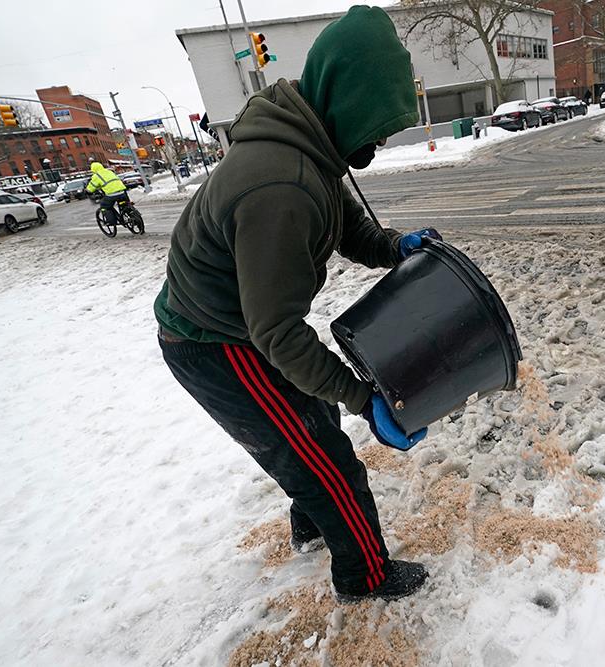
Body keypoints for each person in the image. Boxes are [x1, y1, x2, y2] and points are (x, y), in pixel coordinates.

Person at [154, 6, 437, 603]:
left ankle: (311, 520)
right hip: (212, 341)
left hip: (237, 326)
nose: (381, 142)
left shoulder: (307, 141)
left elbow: (347, 226)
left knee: (312, 426)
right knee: (328, 463)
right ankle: (367, 576)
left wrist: (392, 247)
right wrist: (366, 400)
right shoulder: (281, 185)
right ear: (347, 102)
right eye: (377, 126)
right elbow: (278, 333)